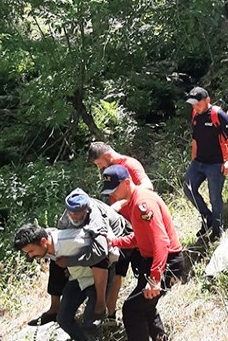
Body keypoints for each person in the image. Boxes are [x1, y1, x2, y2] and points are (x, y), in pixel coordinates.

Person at [101, 165, 183, 341]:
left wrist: (154, 278)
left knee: (131, 309)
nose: (112, 195)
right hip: (153, 261)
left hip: (167, 262)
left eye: (114, 189)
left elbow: (161, 242)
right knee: (146, 307)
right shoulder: (134, 202)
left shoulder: (142, 204)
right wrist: (114, 242)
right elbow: (140, 237)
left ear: (127, 182)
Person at [87, 141, 153, 325]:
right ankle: (110, 316)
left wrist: (123, 203)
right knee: (117, 271)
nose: (100, 168)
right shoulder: (110, 172)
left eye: (99, 164)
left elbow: (148, 186)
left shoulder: (130, 165)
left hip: (137, 226)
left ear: (107, 157)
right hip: (119, 229)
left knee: (143, 272)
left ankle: (147, 312)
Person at [55, 188, 134, 322]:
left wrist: (71, 261)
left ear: (86, 210)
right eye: (71, 212)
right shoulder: (66, 220)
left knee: (113, 273)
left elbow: (101, 253)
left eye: (78, 213)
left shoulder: (95, 219)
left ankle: (109, 315)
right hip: (95, 239)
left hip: (121, 237)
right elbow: (64, 244)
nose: (74, 216)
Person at [13, 223, 100, 340]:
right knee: (63, 319)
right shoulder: (45, 245)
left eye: (31, 251)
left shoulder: (72, 240)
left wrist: (74, 262)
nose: (31, 255)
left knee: (91, 322)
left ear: (43, 241)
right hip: (77, 278)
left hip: (97, 278)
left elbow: (100, 251)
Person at [184, 87, 228, 241]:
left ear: (207, 100)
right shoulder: (195, 115)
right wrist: (193, 159)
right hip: (199, 162)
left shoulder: (218, 115)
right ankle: (207, 217)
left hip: (216, 164)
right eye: (193, 104)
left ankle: (217, 229)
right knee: (188, 189)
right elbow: (195, 139)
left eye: (198, 104)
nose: (195, 107)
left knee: (215, 197)